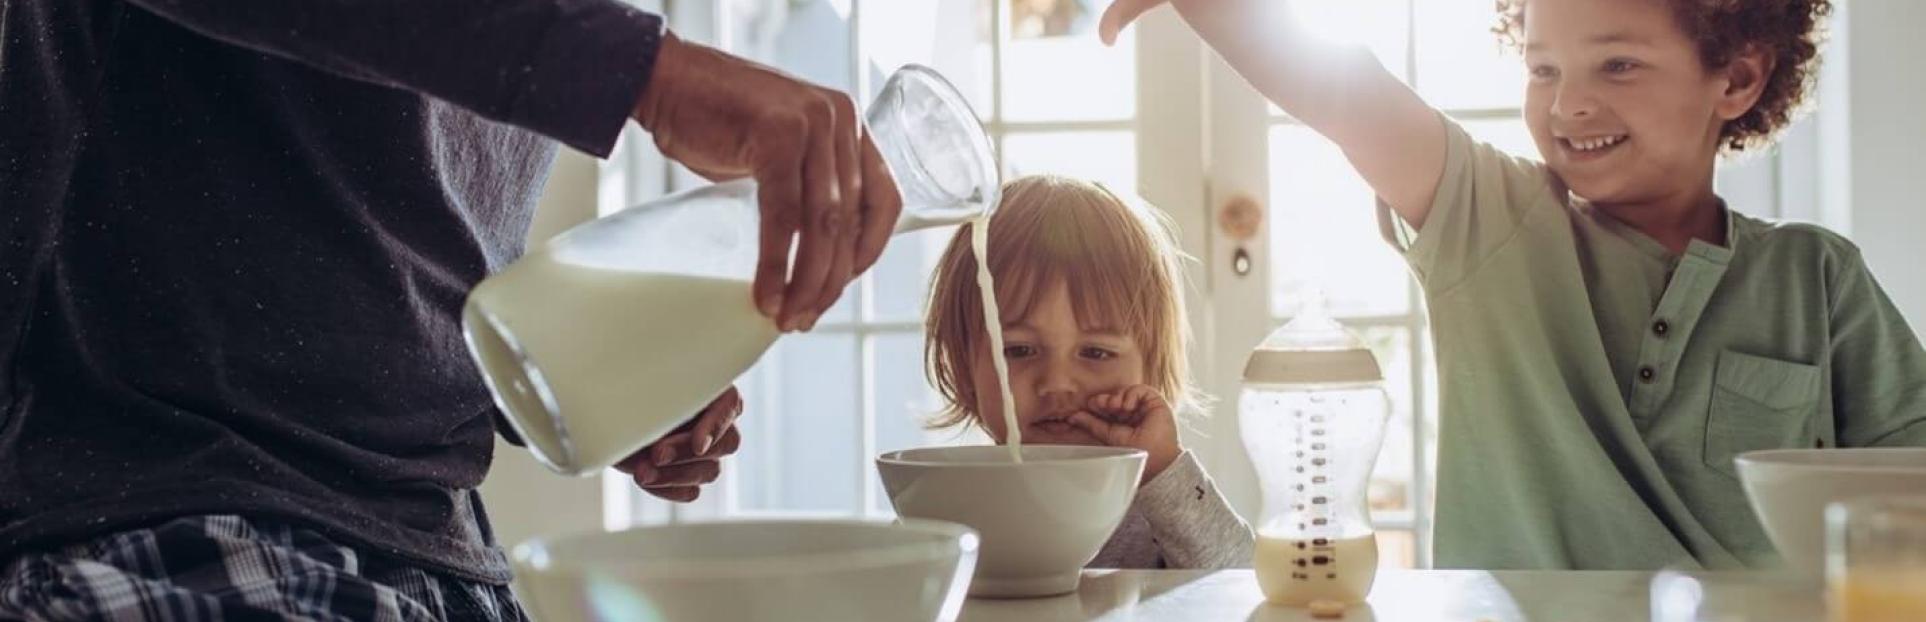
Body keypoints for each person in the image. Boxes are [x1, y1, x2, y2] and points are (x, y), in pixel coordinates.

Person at [0, 0, 900, 618]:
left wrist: (573, 374)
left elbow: (391, 215)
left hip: (441, 555)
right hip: (164, 514)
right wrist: (649, 74)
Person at [1101, 0, 1926, 570]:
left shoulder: (1818, 276)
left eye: (1618, 64)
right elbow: (1348, 93)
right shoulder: (1491, 224)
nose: (1569, 104)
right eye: (1543, 69)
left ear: (1738, 81)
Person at [923, 175, 1254, 569]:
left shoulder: (1159, 505)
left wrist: (1163, 471)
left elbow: (1238, 584)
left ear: (1150, 365)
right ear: (963, 367)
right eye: (1019, 350)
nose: (1057, 384)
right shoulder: (945, 502)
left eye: (1095, 352)